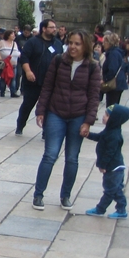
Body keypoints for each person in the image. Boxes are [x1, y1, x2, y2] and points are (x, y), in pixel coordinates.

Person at [32, 30, 102, 210]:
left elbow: (94, 96)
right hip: (56, 112)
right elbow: (47, 87)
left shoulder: (93, 67)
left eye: (77, 44)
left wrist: (88, 121)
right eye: (70, 43)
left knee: (72, 158)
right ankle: (38, 194)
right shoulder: (58, 61)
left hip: (78, 115)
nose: (73, 47)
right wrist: (41, 110)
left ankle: (66, 196)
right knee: (50, 155)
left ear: (85, 46)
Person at [16, 19, 64, 135]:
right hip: (33, 81)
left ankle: (46, 131)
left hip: (51, 82)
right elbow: (24, 58)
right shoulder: (32, 42)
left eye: (55, 27)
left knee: (49, 107)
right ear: (44, 29)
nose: (54, 30)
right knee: (27, 105)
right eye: (51, 27)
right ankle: (20, 125)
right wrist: (28, 71)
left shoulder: (57, 44)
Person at [84, 104, 129, 218]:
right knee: (116, 190)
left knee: (110, 190)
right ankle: (121, 210)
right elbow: (99, 137)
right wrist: (88, 135)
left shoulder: (114, 135)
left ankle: (100, 209)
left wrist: (102, 165)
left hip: (113, 168)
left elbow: (109, 153)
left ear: (114, 119)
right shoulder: (110, 130)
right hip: (116, 167)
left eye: (107, 115)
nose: (103, 116)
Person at [101, 33, 128, 106]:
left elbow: (112, 69)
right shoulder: (116, 52)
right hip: (118, 82)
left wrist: (105, 79)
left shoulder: (113, 53)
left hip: (115, 84)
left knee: (111, 106)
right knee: (113, 105)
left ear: (109, 42)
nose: (103, 44)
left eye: (104, 42)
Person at [0, 29, 21, 97]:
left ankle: (13, 92)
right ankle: (2, 91)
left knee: (13, 78)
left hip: (13, 64)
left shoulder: (14, 43)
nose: (14, 36)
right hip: (5, 64)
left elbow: (16, 51)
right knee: (3, 78)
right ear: (8, 35)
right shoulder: (2, 42)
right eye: (12, 34)